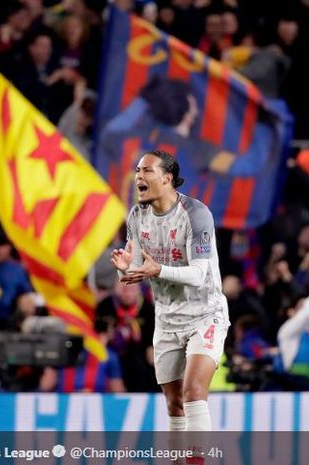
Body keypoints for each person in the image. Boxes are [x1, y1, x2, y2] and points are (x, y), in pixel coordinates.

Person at [110, 149, 229, 433]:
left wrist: (159, 270)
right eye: (138, 170)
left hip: (205, 315)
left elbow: (200, 274)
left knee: (193, 392)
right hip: (166, 320)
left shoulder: (196, 214)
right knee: (174, 404)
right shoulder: (137, 216)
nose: (139, 175)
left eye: (147, 170)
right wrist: (125, 268)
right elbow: (137, 271)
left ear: (167, 179)